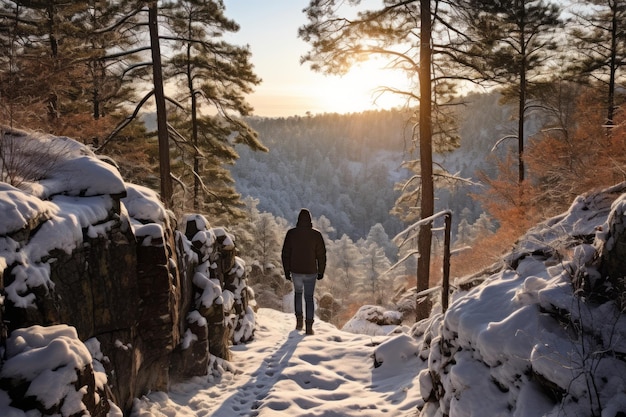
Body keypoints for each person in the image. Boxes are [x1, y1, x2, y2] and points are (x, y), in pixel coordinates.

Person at [281, 208, 326, 335]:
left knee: (298, 294)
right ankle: (309, 326)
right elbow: (321, 255)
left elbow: (285, 254)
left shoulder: (291, 234)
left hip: (296, 271)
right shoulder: (316, 235)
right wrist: (321, 271)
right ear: (310, 220)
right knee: (309, 298)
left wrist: (287, 271)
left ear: (298, 219)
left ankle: (299, 322)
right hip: (311, 271)